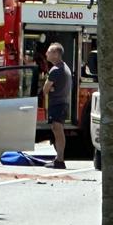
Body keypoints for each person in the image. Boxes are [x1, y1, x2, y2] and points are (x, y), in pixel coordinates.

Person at [42, 42, 72, 170]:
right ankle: (58, 159)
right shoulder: (65, 67)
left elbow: (45, 89)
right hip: (62, 103)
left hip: (58, 104)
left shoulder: (55, 70)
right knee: (57, 130)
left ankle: (60, 160)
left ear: (55, 54)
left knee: (58, 131)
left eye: (49, 51)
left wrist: (50, 88)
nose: (46, 54)